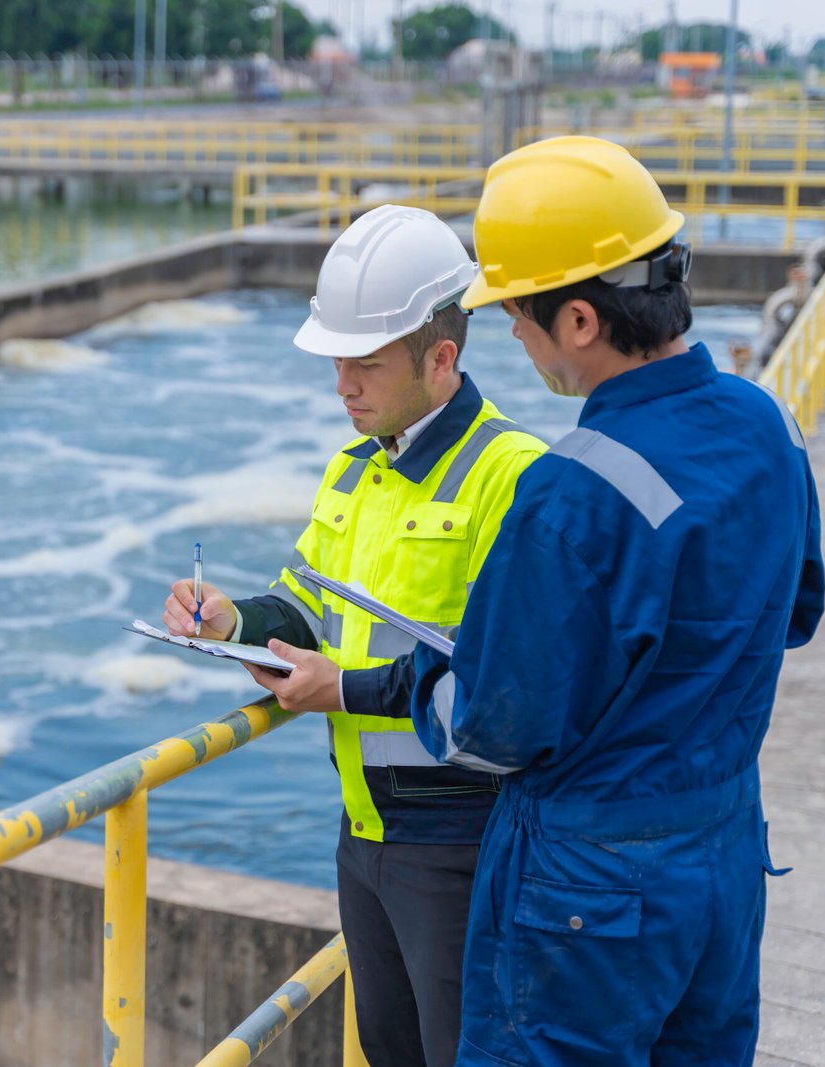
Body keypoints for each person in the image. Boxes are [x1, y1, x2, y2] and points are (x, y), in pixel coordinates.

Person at [329, 136, 825, 1065]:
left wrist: (427, 670)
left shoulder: (573, 492)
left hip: (586, 891)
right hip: (720, 853)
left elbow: (490, 724)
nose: (510, 333)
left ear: (583, 321)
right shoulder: (770, 424)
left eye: (518, 312)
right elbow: (797, 611)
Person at [162, 204, 546, 1067]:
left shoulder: (512, 476)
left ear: (441, 358)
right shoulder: (354, 469)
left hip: (460, 839)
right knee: (385, 1048)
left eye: (365, 363)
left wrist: (339, 687)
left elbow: (504, 672)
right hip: (365, 834)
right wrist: (232, 622)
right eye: (336, 361)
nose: (344, 384)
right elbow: (301, 603)